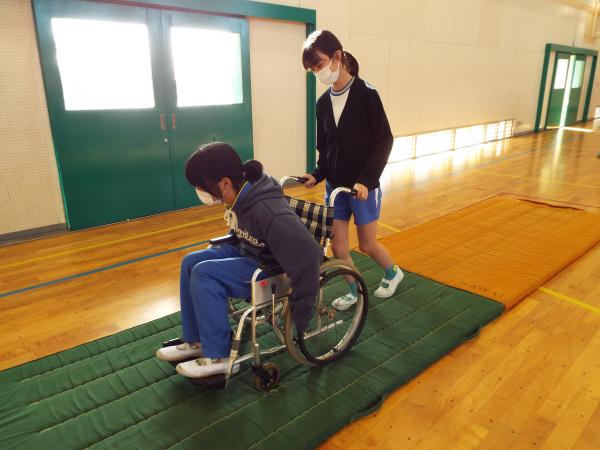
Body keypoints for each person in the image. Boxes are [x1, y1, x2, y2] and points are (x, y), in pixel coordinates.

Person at [157, 142, 323, 379]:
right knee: (190, 262)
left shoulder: (269, 210)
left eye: (201, 187)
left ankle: (220, 356)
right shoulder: (240, 195)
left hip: (268, 268)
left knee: (204, 274)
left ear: (224, 183)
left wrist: (302, 312)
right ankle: (196, 340)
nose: (200, 192)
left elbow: (309, 255)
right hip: (248, 251)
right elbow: (244, 234)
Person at [301, 30, 403, 311]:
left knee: (368, 245)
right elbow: (326, 149)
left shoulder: (367, 94)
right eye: (312, 69)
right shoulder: (322, 104)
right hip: (335, 189)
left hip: (362, 189)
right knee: (338, 246)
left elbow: (385, 140)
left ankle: (393, 273)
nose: (317, 72)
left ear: (337, 57)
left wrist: (366, 181)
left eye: (319, 65)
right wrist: (317, 174)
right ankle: (354, 288)